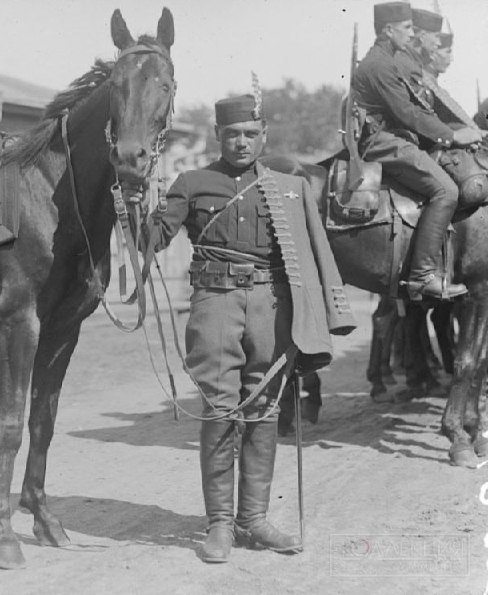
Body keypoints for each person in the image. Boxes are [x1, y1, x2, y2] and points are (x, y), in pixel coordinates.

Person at [146, 93, 356, 563]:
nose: (241, 142)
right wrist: (137, 202)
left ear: (264, 136)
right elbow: (153, 240)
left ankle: (254, 520)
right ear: (219, 136)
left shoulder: (289, 187)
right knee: (220, 410)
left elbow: (314, 255)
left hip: (270, 305)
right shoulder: (193, 182)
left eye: (250, 134)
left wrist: (320, 317)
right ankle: (219, 523)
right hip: (214, 304)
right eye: (232, 134)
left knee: (264, 407)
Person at [351, 1, 486, 301]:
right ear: (388, 30)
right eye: (408, 28)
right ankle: (422, 276)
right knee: (447, 192)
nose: (412, 34)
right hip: (382, 141)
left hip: (392, 136)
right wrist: (452, 135)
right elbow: (407, 112)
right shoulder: (381, 65)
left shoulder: (388, 58)